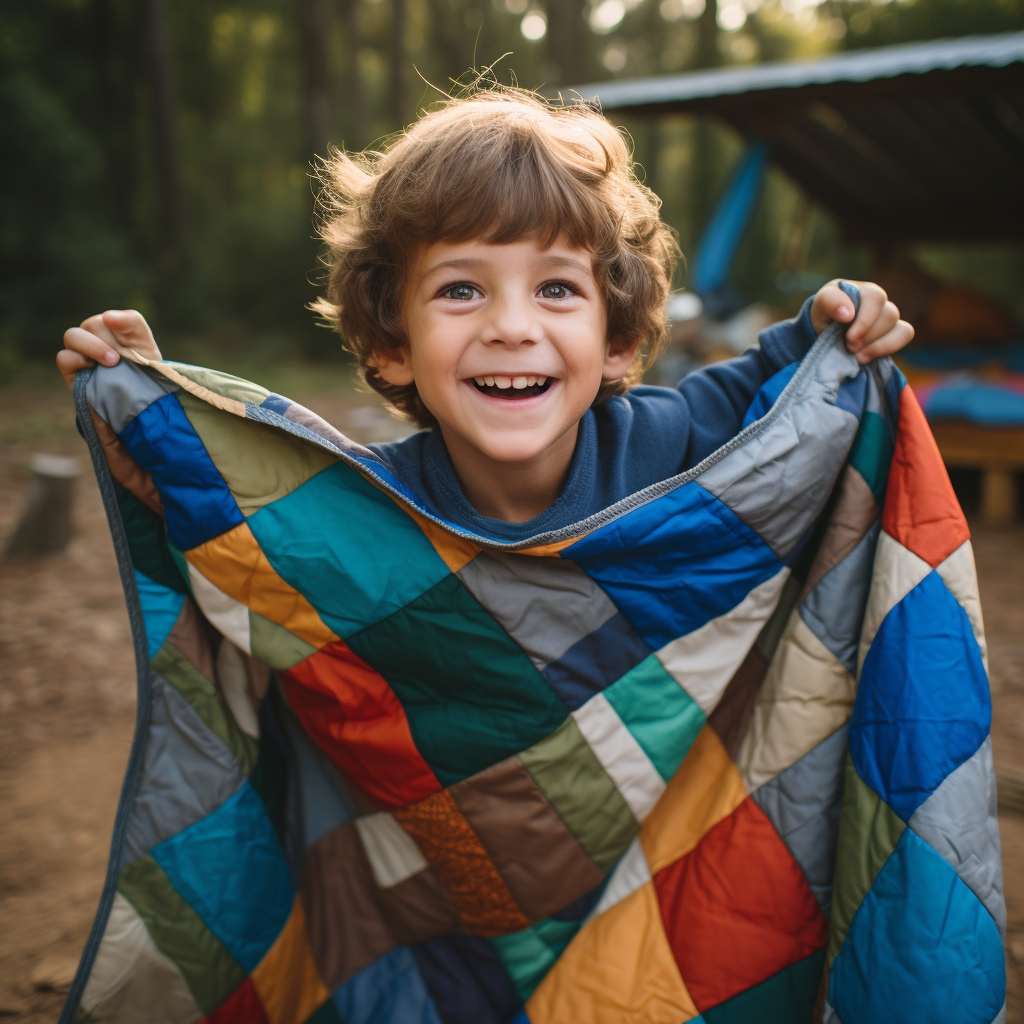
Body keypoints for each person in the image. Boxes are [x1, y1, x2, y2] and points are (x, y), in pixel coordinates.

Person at [58, 87, 913, 540]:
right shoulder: (367, 506)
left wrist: (831, 327)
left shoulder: (668, 439)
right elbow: (242, 520)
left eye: (556, 289)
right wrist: (150, 405)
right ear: (392, 346)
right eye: (462, 289)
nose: (511, 325)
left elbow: (773, 392)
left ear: (616, 342)